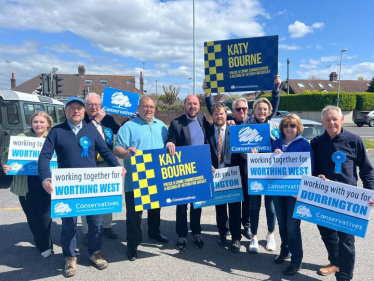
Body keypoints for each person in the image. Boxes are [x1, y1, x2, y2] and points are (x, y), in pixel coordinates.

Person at [38, 97, 124, 278]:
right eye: (71, 108)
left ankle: (95, 252)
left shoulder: (91, 130)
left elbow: (105, 150)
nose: (76, 111)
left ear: (84, 111)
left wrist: (116, 165)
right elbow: (44, 157)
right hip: (67, 187)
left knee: (95, 222)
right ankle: (70, 257)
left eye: (79, 108)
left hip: (91, 186)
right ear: (66, 111)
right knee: (68, 224)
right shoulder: (56, 132)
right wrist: (46, 177)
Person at [204, 76, 281, 240]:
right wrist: (208, 95)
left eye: (244, 109)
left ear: (248, 110)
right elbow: (215, 111)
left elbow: (270, 111)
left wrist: (276, 90)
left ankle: (245, 226)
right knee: (225, 202)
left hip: (249, 170)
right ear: (233, 111)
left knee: (247, 201)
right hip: (231, 169)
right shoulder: (229, 121)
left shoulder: (252, 122)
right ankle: (225, 229)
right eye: (238, 109)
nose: (242, 111)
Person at [311, 105, 374, 281]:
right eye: (327, 119)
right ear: (322, 122)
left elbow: (367, 170)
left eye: (334, 119)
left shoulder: (354, 140)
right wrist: (317, 176)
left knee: (346, 240)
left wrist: (371, 192)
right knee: (327, 233)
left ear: (342, 120)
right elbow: (310, 168)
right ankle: (335, 262)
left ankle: (345, 276)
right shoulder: (316, 142)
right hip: (323, 197)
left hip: (347, 200)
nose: (331, 122)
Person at [113, 96, 169, 261]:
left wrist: (170, 145)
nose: (149, 109)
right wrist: (126, 153)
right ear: (139, 108)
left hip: (156, 176)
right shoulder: (128, 126)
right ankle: (133, 245)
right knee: (134, 215)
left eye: (151, 107)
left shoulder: (162, 126)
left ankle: (154, 232)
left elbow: (168, 144)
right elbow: (117, 149)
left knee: (155, 209)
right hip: (135, 179)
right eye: (145, 106)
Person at [1, 111, 54, 258]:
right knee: (32, 216)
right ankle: (44, 244)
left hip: (47, 184)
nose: (38, 124)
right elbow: (6, 156)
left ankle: (44, 240)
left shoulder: (53, 138)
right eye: (35, 121)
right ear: (31, 124)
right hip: (25, 185)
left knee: (46, 216)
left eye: (41, 122)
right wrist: (6, 165)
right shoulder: (21, 139)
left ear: (48, 124)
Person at [272, 114, 314, 276]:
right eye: (286, 126)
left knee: (293, 227)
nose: (289, 129)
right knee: (282, 224)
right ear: (282, 128)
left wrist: (303, 190)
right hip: (277, 190)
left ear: (298, 128)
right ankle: (285, 250)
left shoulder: (304, 145)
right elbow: (264, 163)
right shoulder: (276, 142)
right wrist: (272, 154)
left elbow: (309, 168)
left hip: (295, 193)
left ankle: (297, 260)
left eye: (292, 126)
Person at [166, 94, 210, 250]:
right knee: (182, 205)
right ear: (184, 105)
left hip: (200, 169)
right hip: (183, 171)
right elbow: (171, 139)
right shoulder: (176, 123)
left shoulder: (203, 119)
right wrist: (170, 142)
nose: (192, 106)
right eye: (189, 104)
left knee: (197, 204)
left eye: (195, 104)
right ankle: (182, 235)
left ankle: (196, 232)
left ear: (199, 106)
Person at [81, 92, 121, 243]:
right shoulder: (80, 119)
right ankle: (86, 230)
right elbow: (81, 135)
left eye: (97, 104)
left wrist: (131, 119)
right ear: (85, 106)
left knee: (107, 196)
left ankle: (106, 226)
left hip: (106, 162)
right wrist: (95, 121)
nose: (94, 107)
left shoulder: (108, 119)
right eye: (90, 104)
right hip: (86, 163)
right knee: (87, 198)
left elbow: (120, 131)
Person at [207, 103, 241, 252]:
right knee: (220, 207)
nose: (219, 116)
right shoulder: (207, 131)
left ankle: (236, 238)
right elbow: (202, 150)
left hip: (231, 174)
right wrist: (206, 165)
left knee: (234, 209)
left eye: (221, 114)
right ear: (212, 115)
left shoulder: (234, 130)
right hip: (215, 175)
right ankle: (222, 233)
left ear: (226, 115)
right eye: (216, 114)